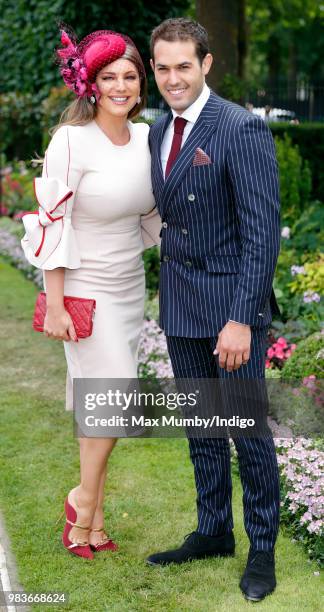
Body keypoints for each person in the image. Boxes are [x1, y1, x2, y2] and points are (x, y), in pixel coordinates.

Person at [146, 18, 281, 602]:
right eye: (163, 66)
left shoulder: (241, 128)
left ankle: (263, 549)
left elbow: (263, 234)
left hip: (230, 309)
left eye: (183, 65)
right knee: (202, 427)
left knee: (246, 432)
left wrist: (240, 319)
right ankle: (212, 531)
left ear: (206, 64)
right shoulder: (157, 130)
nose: (172, 77)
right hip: (180, 301)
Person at [21, 26, 161, 560]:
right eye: (110, 77)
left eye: (129, 77)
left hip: (129, 287)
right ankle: (81, 499)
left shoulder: (148, 137)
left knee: (99, 406)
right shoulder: (71, 141)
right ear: (91, 84)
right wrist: (55, 303)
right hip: (84, 289)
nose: (121, 87)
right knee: (116, 397)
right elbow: (52, 223)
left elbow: (154, 210)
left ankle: (93, 521)